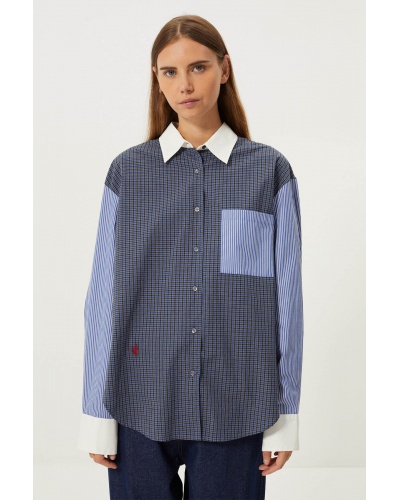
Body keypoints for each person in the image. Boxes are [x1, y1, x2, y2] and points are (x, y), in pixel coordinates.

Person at [77, 14, 304, 500]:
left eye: (198, 67)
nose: (185, 84)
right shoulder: (127, 173)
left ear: (224, 69)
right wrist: (95, 412)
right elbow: (101, 300)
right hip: (138, 401)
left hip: (237, 403)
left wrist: (286, 415)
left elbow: (286, 303)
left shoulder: (269, 171)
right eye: (170, 72)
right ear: (156, 80)